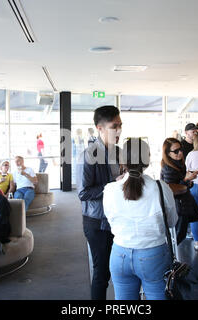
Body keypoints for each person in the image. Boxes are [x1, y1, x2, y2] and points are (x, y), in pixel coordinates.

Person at [103, 138, 177, 300]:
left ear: (122, 160)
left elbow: (110, 220)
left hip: (119, 254)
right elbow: (171, 222)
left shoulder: (110, 189)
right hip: (153, 255)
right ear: (148, 159)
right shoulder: (161, 187)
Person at [76, 105, 123, 300]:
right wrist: (114, 184)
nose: (119, 130)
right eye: (114, 126)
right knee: (102, 274)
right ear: (100, 128)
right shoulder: (88, 155)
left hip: (117, 218)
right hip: (97, 223)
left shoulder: (118, 152)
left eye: (120, 125)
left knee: (118, 270)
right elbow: (83, 193)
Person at [161, 138, 198, 244]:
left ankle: (171, 258)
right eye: (176, 151)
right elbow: (171, 189)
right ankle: (169, 259)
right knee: (177, 237)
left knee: (179, 235)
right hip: (177, 206)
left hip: (182, 204)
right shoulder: (168, 167)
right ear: (168, 153)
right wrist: (187, 179)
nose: (180, 152)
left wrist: (188, 180)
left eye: (181, 149)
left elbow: (181, 184)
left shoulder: (179, 163)